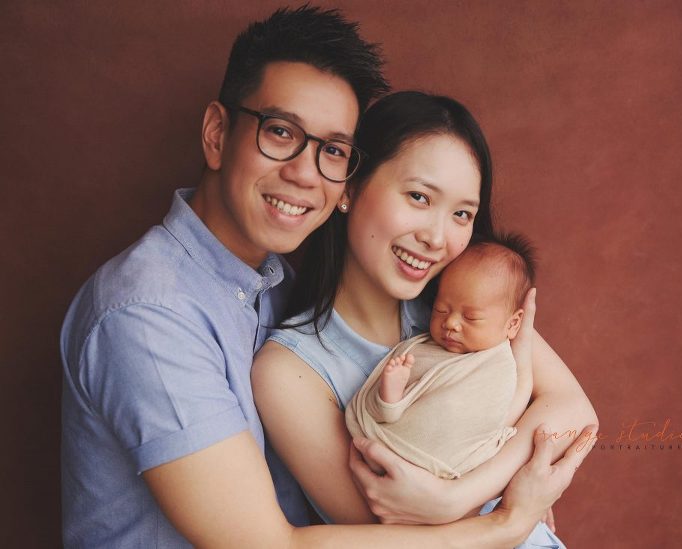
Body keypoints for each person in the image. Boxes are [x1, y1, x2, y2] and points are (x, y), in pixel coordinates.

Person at [60, 6, 595, 548]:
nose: (303, 171)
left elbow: (572, 410)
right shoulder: (149, 314)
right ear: (218, 134)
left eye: (332, 151)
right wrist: (508, 517)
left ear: (344, 176)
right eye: (280, 131)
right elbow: (273, 545)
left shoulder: (287, 284)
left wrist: (476, 494)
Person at [252, 91, 598, 544]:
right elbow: (390, 530)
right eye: (418, 196)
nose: (437, 238)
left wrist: (456, 497)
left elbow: (576, 413)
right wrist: (516, 501)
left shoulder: (462, 312)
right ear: (350, 189)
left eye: (461, 214)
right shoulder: (290, 372)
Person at [347, 236, 539, 483]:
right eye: (441, 310)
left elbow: (500, 416)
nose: (450, 323)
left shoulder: (499, 367)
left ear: (513, 323)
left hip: (447, 470)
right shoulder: (423, 351)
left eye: (471, 318)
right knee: (390, 398)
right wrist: (390, 395)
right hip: (389, 446)